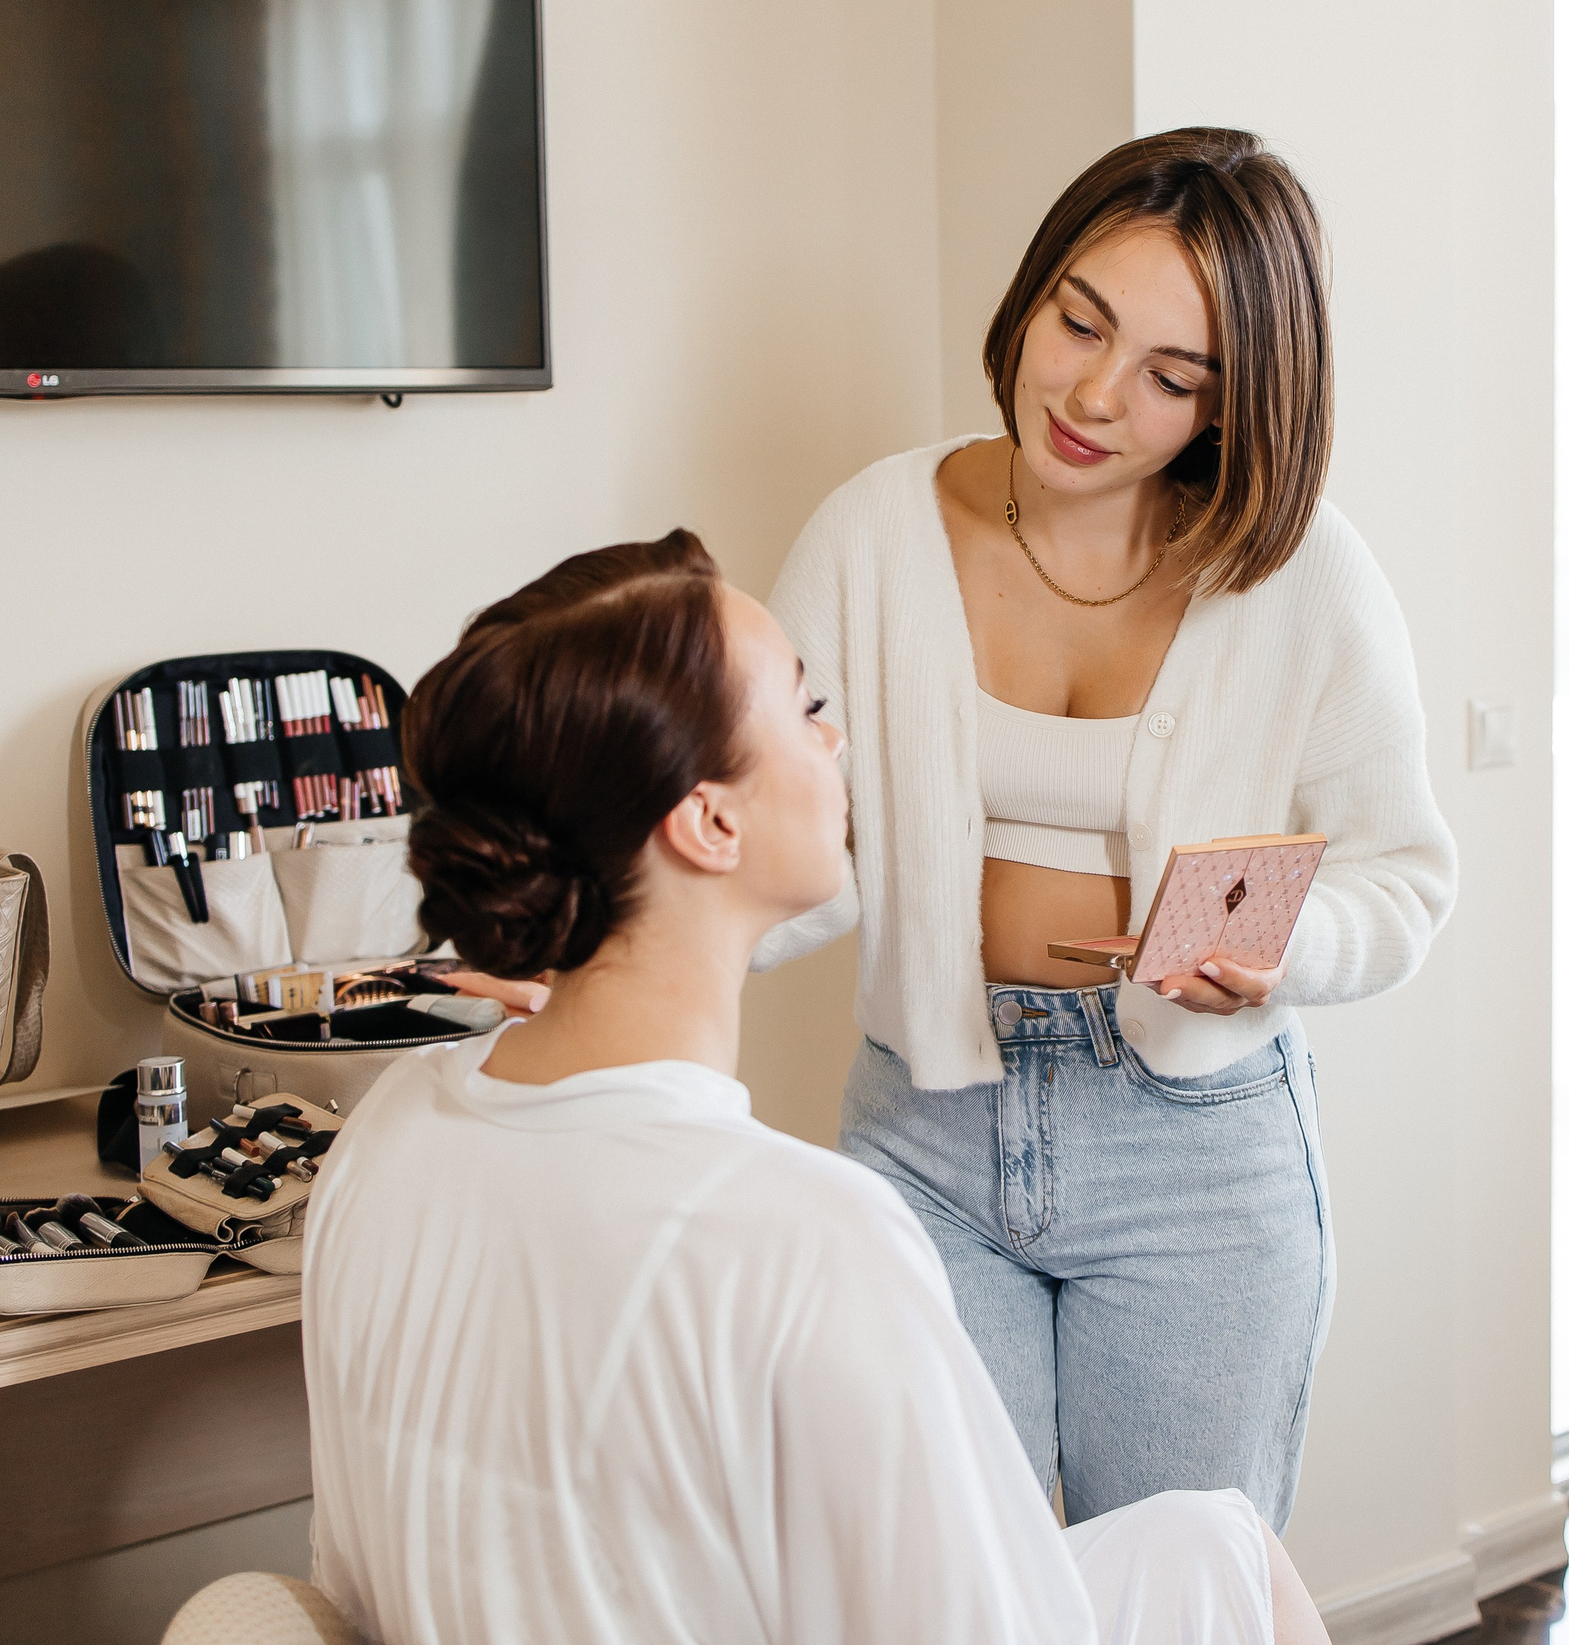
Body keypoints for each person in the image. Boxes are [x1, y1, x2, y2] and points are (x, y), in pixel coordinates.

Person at [301, 531, 1329, 1645]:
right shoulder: (803, 1236)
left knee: (1206, 1540)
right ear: (712, 822)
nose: (835, 741)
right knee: (1231, 1557)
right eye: (803, 711)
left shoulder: (388, 1131)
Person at [755, 127, 1457, 1530]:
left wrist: (1272, 945)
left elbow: (1404, 875)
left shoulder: (1301, 566)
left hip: (1199, 1152)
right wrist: (604, 947)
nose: (1089, 392)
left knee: (1177, 1600)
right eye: (1080, 319)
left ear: (1231, 402)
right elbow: (794, 849)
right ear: (1034, 289)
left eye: (1171, 375)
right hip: (925, 1133)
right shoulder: (870, 532)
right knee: (954, 1596)